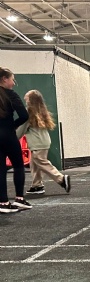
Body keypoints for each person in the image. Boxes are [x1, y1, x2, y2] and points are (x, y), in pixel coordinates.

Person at [16, 90, 71, 196]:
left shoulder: (29, 112)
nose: (25, 100)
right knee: (34, 164)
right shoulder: (41, 111)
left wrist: (12, 138)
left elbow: (22, 128)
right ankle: (37, 186)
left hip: (37, 143)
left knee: (42, 162)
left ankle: (61, 179)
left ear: (31, 100)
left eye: (27, 98)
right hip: (43, 141)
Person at [0, 67, 30, 213]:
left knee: (0, 169)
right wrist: (13, 125)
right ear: (4, 79)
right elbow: (24, 115)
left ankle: (3, 202)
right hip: (8, 135)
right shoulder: (11, 95)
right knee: (18, 165)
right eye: (12, 79)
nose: (13, 82)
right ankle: (19, 198)